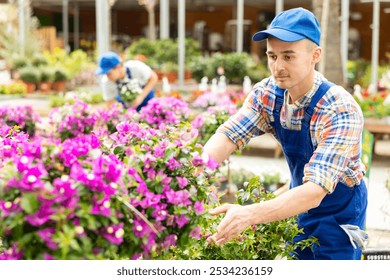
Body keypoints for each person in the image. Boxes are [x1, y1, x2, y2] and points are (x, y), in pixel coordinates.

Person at [203, 7, 368, 260]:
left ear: (315, 55)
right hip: (297, 201)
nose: (277, 66)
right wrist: (195, 171)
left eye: (288, 56)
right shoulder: (267, 93)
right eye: (272, 56)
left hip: (339, 213)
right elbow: (229, 134)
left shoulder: (340, 110)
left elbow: (315, 191)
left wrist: (249, 214)